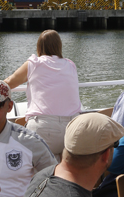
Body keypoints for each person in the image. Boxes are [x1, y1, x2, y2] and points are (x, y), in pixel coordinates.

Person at [5, 29, 82, 160]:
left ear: (39, 47)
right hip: (72, 129)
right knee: (63, 169)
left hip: (44, 128)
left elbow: (8, 83)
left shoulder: (34, 63)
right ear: (59, 46)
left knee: (37, 169)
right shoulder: (70, 65)